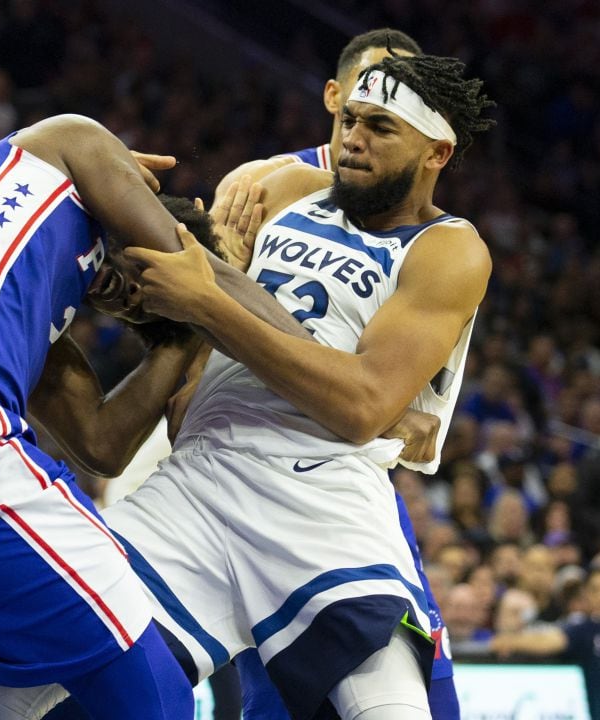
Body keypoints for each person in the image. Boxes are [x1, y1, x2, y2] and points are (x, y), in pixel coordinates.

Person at [17, 52, 495, 720]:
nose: (353, 138)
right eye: (350, 119)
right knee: (45, 690)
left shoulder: (449, 248)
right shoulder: (279, 188)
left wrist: (210, 299)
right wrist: (183, 308)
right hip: (204, 473)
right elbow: (191, 338)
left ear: (435, 153)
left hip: (321, 489)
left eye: (381, 128)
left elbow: (360, 406)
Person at [0, 114, 308, 719]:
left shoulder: (24, 301)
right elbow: (208, 278)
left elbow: (101, 444)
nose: (134, 296)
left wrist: (183, 337)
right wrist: (334, 373)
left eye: (144, 311)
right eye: (146, 274)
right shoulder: (71, 143)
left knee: (16, 704)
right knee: (147, 666)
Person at [212, 29, 462, 720]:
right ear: (335, 97)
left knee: (421, 683)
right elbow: (205, 330)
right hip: (249, 478)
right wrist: (378, 404)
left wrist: (388, 406)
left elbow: (404, 409)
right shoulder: (265, 188)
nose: (392, 103)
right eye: (369, 98)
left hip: (349, 482)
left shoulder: (429, 229)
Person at [490, 567, 600, 719]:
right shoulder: (586, 629)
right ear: (587, 595)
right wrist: (510, 641)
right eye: (595, 590)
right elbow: (549, 641)